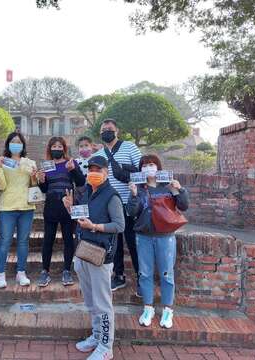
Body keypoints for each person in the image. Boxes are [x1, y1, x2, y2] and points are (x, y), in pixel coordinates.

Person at [63, 155, 124, 360]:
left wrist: (95, 227)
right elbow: (81, 218)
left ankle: (106, 346)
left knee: (102, 302)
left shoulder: (112, 196)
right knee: (90, 300)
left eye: (98, 169)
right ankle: (97, 336)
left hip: (100, 254)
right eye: (90, 169)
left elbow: (119, 225)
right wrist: (70, 207)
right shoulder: (88, 191)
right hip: (83, 251)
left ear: (106, 172)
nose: (93, 173)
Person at [126, 154, 189, 329]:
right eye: (145, 165)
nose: (148, 168)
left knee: (166, 274)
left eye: (152, 164)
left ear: (158, 167)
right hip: (143, 236)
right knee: (145, 273)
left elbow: (183, 206)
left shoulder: (167, 186)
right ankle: (148, 307)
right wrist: (132, 195)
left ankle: (168, 309)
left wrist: (179, 189)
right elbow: (132, 213)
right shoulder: (138, 188)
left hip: (165, 237)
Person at [94, 119, 142, 293]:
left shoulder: (129, 147)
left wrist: (123, 168)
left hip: (128, 201)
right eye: (103, 129)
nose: (106, 131)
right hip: (109, 203)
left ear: (117, 131)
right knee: (115, 242)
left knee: (132, 241)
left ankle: (141, 278)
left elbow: (140, 168)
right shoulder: (100, 153)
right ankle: (119, 275)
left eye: (110, 129)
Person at [37, 136, 85, 287]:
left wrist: (74, 170)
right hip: (51, 205)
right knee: (48, 239)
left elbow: (80, 182)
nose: (57, 149)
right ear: (49, 148)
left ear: (64, 148)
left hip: (67, 205)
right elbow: (44, 189)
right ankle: (45, 271)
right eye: (54, 146)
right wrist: (41, 180)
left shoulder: (70, 163)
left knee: (68, 239)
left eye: (60, 146)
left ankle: (66, 270)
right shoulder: (47, 165)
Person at [0, 132, 37, 288]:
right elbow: (1, 186)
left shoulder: (30, 162)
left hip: (26, 207)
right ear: (8, 144)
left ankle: (21, 273)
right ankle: (0, 274)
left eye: (19, 142)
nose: (16, 144)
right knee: (5, 241)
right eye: (13, 142)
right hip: (8, 207)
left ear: (23, 145)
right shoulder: (3, 162)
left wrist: (34, 176)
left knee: (23, 241)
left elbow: (34, 185)